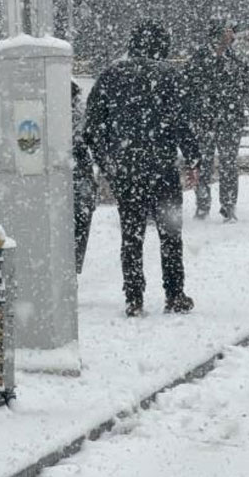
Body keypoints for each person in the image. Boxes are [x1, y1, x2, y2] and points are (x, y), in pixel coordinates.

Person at [84, 20, 200, 318]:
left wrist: (108, 164)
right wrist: (194, 160)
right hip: (162, 169)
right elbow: (182, 125)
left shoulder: (111, 76)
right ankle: (174, 294)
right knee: (170, 233)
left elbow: (92, 129)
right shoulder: (171, 77)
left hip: (127, 171)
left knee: (131, 235)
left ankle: (134, 297)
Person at [183, 18, 249, 223]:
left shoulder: (235, 60)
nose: (233, 35)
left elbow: (247, 88)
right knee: (203, 163)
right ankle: (203, 205)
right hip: (204, 120)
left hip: (229, 121)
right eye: (228, 31)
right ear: (217, 34)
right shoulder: (198, 59)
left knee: (228, 164)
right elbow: (187, 90)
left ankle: (228, 206)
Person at [72, 81, 97, 274]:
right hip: (80, 173)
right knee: (80, 221)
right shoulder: (82, 111)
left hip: (76, 172)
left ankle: (71, 266)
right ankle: (73, 266)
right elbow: (93, 137)